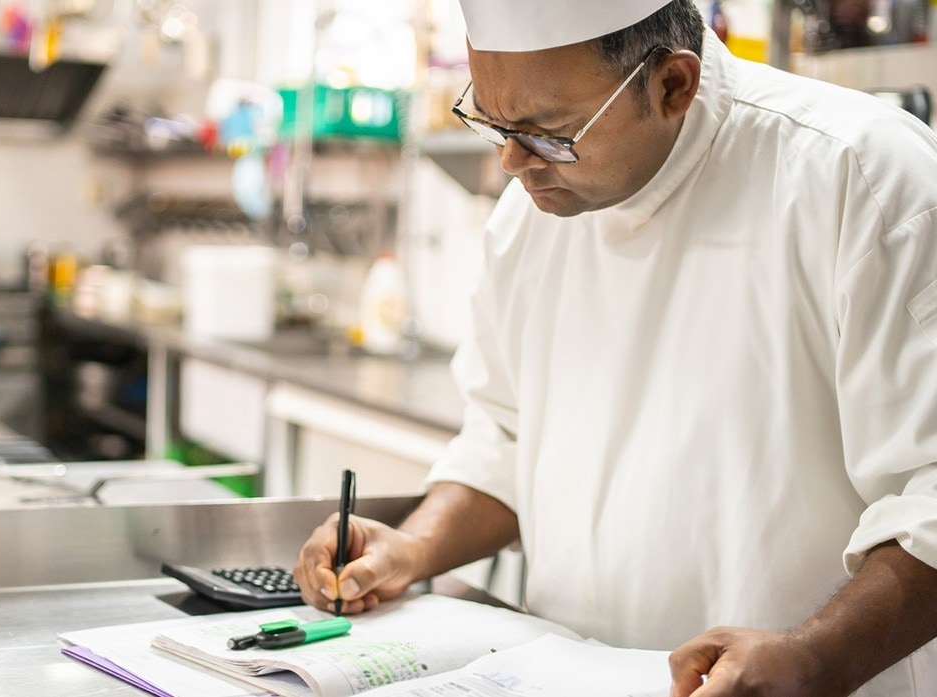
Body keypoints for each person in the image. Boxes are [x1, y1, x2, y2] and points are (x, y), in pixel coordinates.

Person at [291, 1, 937, 695]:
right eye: (494, 123)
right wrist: (413, 546)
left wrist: (815, 656)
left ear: (672, 86)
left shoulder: (858, 176)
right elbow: (506, 439)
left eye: (549, 133)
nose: (512, 162)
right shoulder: (527, 218)